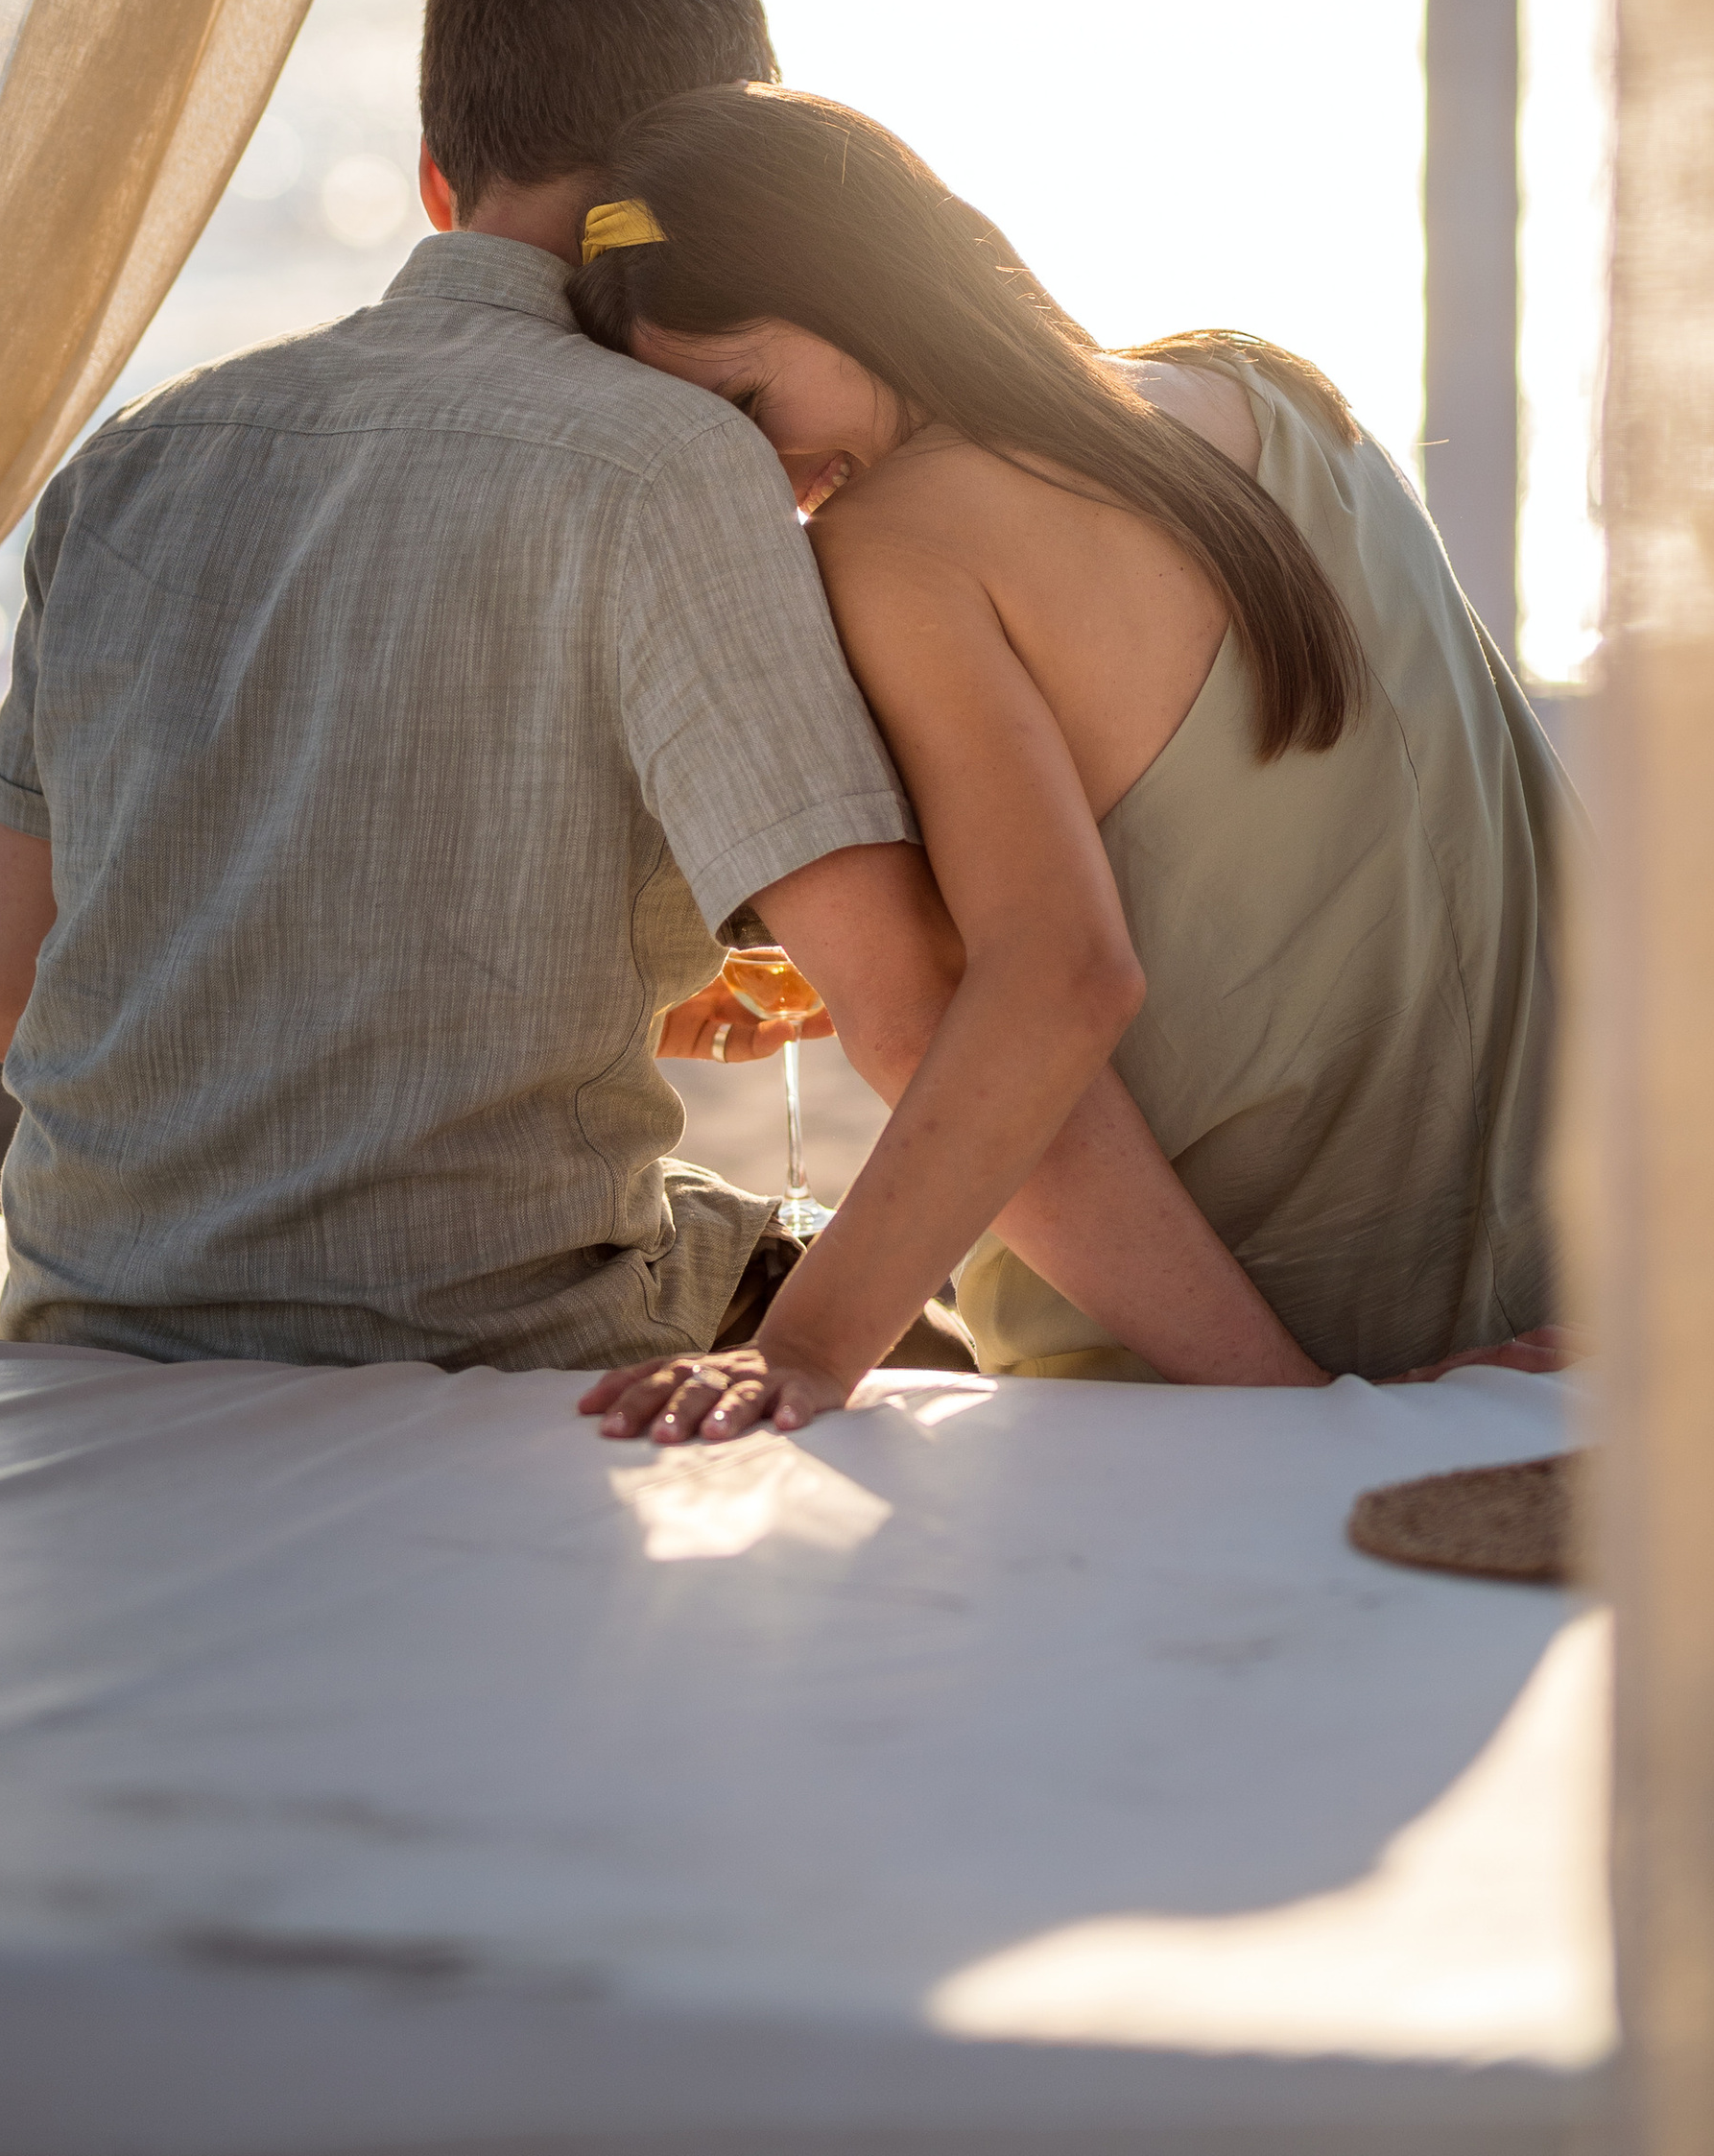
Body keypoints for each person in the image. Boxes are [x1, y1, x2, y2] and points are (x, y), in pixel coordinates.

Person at [0, 0, 1303, 1388]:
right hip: (491, 1331)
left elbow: (20, 993)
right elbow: (922, 1025)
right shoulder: (672, 458)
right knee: (944, 1330)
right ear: (730, 163)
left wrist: (579, 1007)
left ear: (430, 178)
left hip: (90, 1305)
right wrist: (1292, 1403)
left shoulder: (132, 457)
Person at [570, 81, 1562, 1448]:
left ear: (852, 288)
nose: (767, 474)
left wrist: (806, 1347)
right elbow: (1375, 848)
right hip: (1535, 1301)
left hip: (1205, 1380)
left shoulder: (900, 544)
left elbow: (1062, 978)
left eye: (747, 399)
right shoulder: (1266, 390)